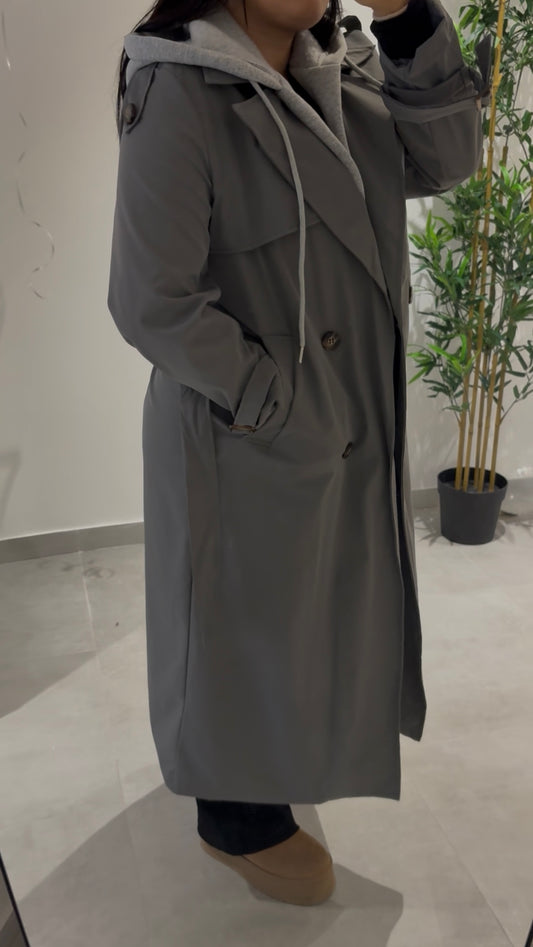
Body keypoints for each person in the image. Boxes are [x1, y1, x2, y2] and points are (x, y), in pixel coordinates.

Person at [108, 0, 488, 906]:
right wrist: (272, 401)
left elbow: (448, 159)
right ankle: (233, 812)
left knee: (315, 608)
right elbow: (152, 299)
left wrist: (407, 24)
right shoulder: (178, 84)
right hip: (245, 428)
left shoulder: (345, 70)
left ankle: (278, 761)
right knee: (240, 616)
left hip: (338, 414)